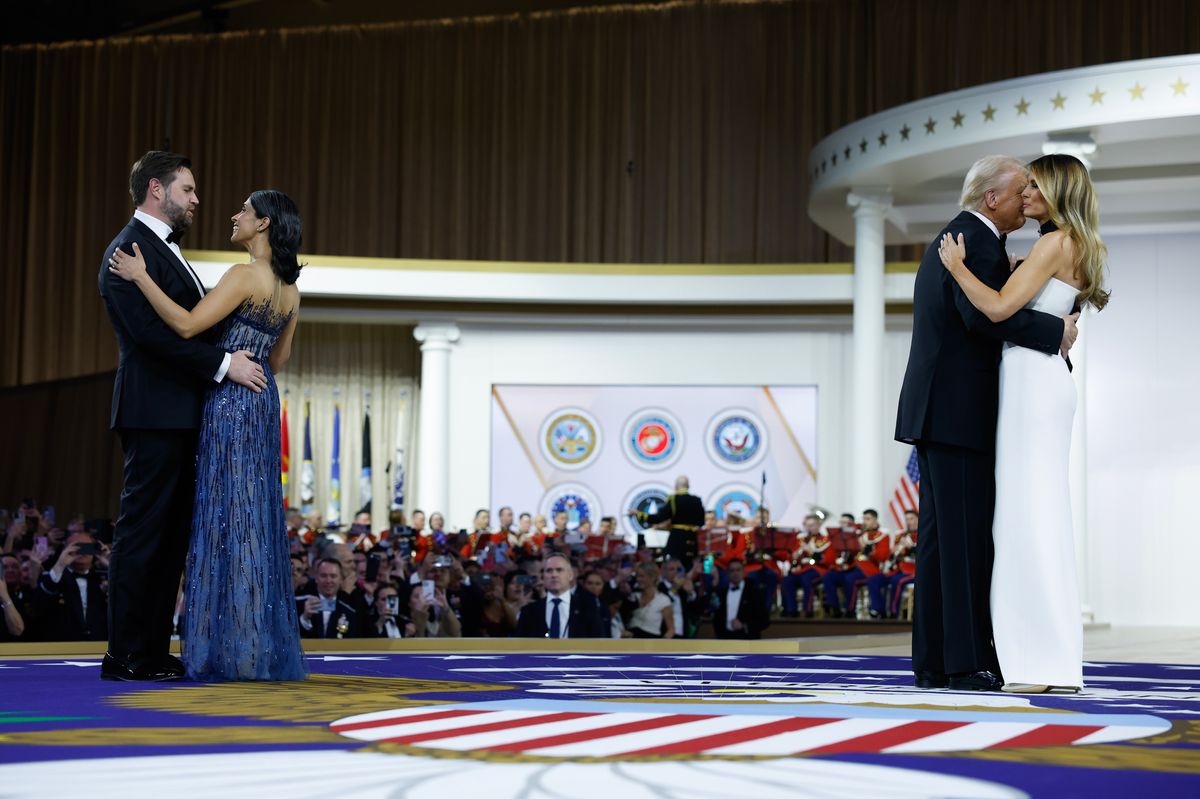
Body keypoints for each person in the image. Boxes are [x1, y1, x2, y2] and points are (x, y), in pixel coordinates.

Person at [895, 154, 1079, 692]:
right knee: (964, 543)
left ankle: (934, 662)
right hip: (957, 414)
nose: (1026, 198)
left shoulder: (974, 240)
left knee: (940, 543)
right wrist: (1055, 332)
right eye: (1020, 188)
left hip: (944, 412)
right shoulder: (969, 241)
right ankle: (965, 663)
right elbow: (982, 314)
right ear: (991, 198)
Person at [108, 185, 307, 681]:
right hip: (262, 402)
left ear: (263, 224)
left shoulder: (242, 275)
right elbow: (278, 360)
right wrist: (249, 359)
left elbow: (185, 325)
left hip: (229, 405)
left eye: (244, 210)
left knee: (224, 520)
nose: (234, 215)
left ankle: (222, 648)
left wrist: (141, 276)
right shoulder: (290, 288)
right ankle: (254, 647)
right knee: (254, 519)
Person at [937, 153, 1108, 693]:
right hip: (1046, 380)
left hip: (1032, 387)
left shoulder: (1052, 243)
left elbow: (996, 309)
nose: (1026, 193)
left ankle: (1034, 660)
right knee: (1039, 513)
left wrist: (958, 267)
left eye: (1035, 185)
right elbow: (1039, 305)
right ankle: (1049, 658)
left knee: (1023, 518)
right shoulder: (1075, 244)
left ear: (1057, 191)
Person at [515, 553, 607, 638]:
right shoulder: (529, 611)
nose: (554, 575)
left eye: (559, 570)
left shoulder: (587, 608)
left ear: (570, 575)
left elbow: (598, 642)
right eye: (549, 571)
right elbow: (520, 646)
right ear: (543, 576)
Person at [628, 475, 705, 569]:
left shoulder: (674, 499)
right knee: (690, 566)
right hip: (692, 540)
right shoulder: (697, 500)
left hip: (677, 539)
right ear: (688, 486)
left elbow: (658, 518)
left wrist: (639, 514)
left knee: (673, 566)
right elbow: (701, 522)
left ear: (676, 486)